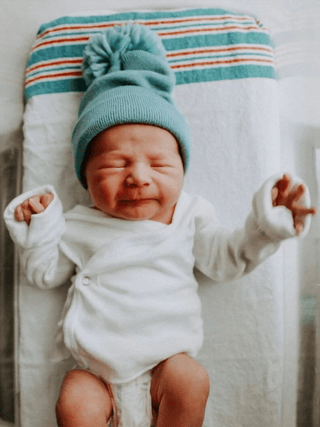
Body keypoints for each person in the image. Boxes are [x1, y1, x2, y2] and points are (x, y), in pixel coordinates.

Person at [4, 24, 316, 427]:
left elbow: (226, 258)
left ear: (183, 169)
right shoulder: (78, 223)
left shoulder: (189, 216)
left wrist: (266, 227)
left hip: (165, 366)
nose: (137, 176)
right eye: (115, 164)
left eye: (159, 163)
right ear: (85, 176)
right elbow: (43, 274)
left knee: (192, 379)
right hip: (95, 371)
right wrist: (43, 225)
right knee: (73, 400)